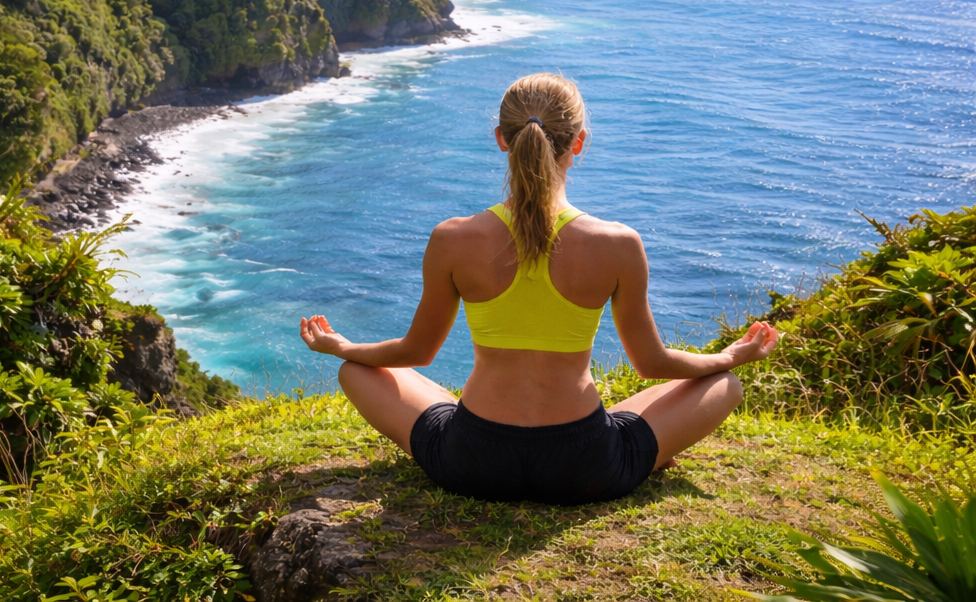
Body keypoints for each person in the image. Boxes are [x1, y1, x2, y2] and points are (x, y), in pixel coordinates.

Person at [301, 73, 778, 505]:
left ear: (501, 141)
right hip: (585, 466)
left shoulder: (453, 238)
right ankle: (648, 450)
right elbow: (652, 364)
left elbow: (417, 351)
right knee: (724, 385)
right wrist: (731, 357)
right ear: (579, 143)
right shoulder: (618, 244)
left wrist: (343, 346)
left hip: (472, 461)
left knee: (354, 371)